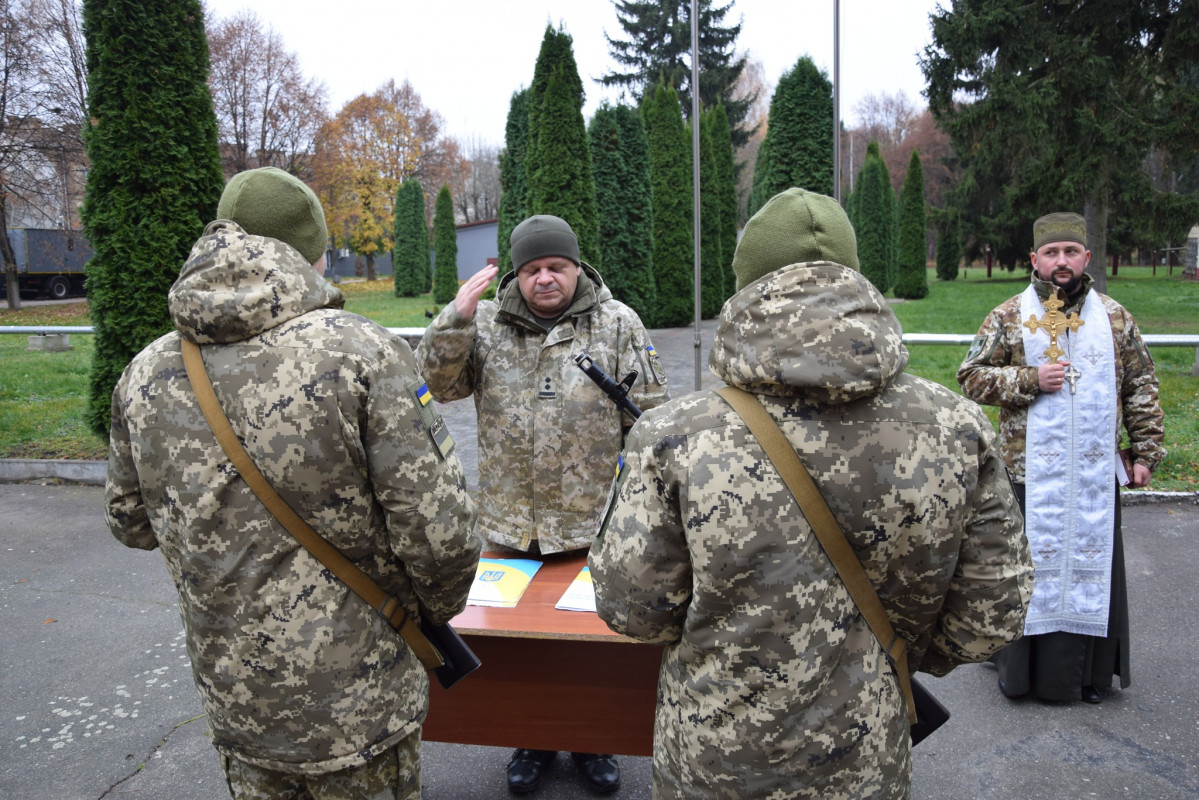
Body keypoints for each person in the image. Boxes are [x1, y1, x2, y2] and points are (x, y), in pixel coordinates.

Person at [588, 188, 1034, 800]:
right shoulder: (957, 428)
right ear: (854, 277)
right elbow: (991, 615)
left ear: (745, 285)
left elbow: (633, 610)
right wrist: (893, 660)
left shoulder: (672, 436)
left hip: (716, 765)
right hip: (867, 759)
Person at [105, 167, 481, 799]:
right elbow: (438, 534)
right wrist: (432, 614)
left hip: (235, 695)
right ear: (316, 252)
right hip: (357, 697)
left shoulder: (145, 372)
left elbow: (129, 520)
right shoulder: (361, 352)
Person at [419, 214, 669, 795]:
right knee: (519, 647)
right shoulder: (486, 325)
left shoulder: (616, 323)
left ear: (577, 266)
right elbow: (438, 385)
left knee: (590, 641)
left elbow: (653, 413)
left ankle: (591, 739)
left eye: (555, 266)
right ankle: (530, 736)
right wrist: (454, 320)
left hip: (593, 521)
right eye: (531, 269)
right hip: (511, 522)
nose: (544, 279)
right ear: (517, 273)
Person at [957, 211, 1166, 704]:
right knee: (1027, 569)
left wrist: (1145, 452)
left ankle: (1088, 677)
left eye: (1071, 251)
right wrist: (1030, 379)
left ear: (1086, 257)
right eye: (1051, 253)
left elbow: (1141, 386)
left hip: (1093, 474)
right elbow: (971, 376)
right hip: (1030, 474)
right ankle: (1020, 673)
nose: (1061, 261)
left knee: (1091, 567)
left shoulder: (1114, 318)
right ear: (1035, 259)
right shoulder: (1010, 315)